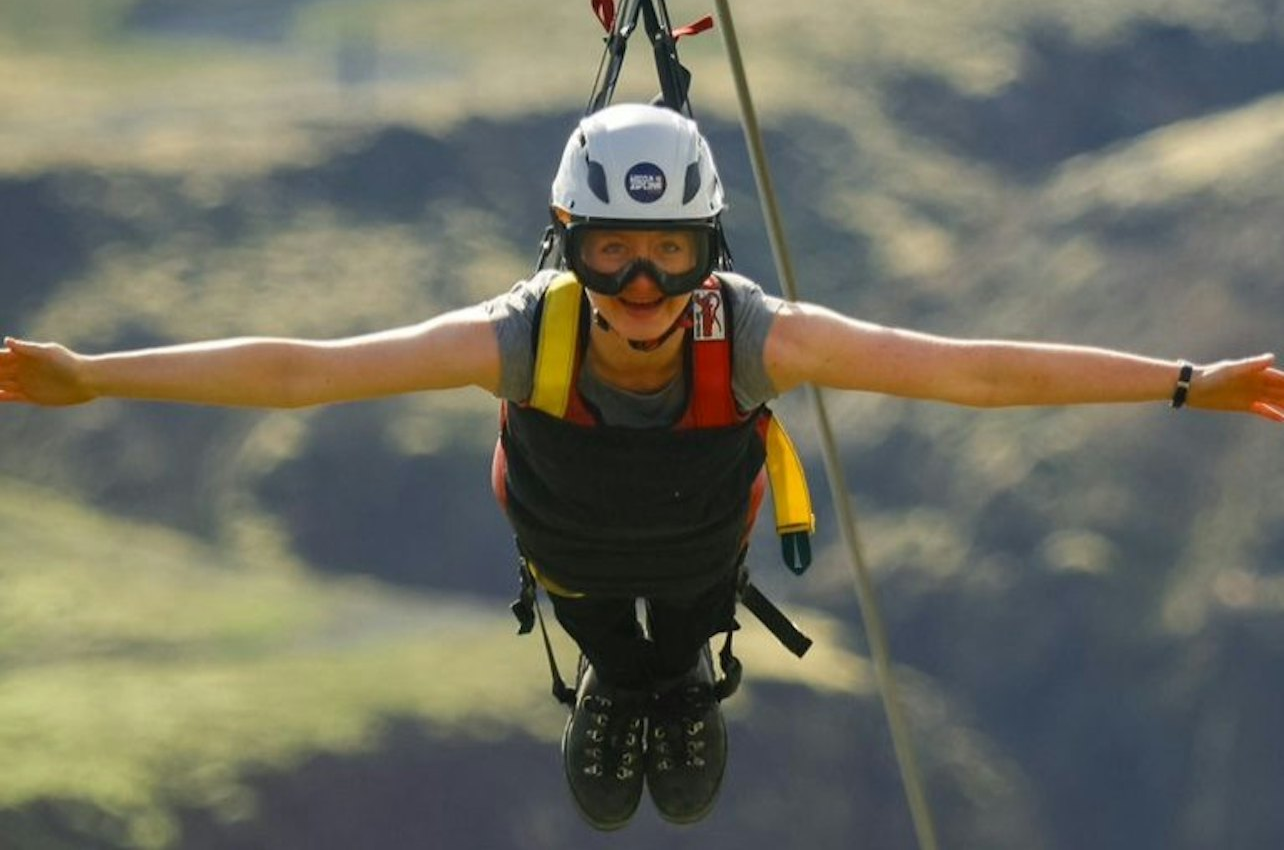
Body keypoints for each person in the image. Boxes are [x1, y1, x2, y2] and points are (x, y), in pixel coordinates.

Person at [2, 102, 1282, 831]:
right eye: (613, 252)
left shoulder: (760, 337)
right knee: (617, 645)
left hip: (696, 557)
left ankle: (666, 689)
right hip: (573, 559)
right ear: (566, 249)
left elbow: (970, 370)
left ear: (707, 249)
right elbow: (307, 370)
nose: (642, 287)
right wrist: (93, 375)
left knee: (678, 640)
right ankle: (630, 691)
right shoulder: (520, 338)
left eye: (670, 254)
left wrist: (1184, 381)